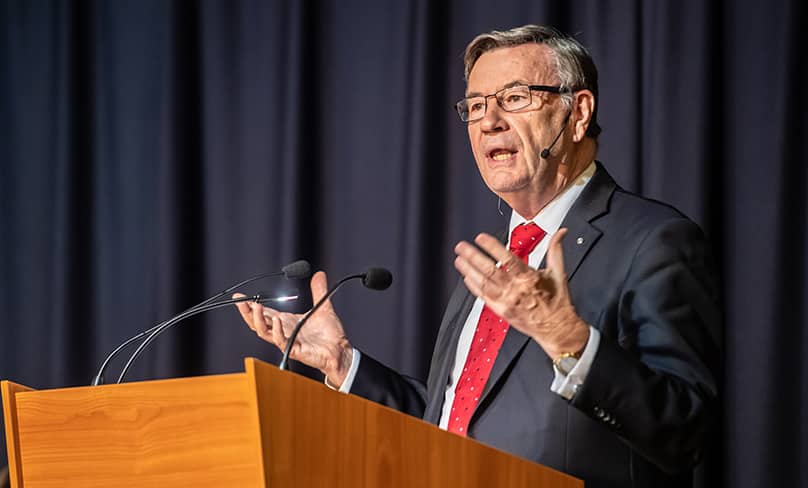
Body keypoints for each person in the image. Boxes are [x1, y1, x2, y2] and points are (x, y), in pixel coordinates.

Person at [235, 25, 720, 488]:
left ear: (578, 113)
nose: (489, 121)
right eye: (475, 105)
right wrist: (344, 364)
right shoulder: (498, 256)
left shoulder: (653, 240)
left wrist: (567, 338)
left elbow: (685, 430)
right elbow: (449, 427)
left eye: (514, 98)